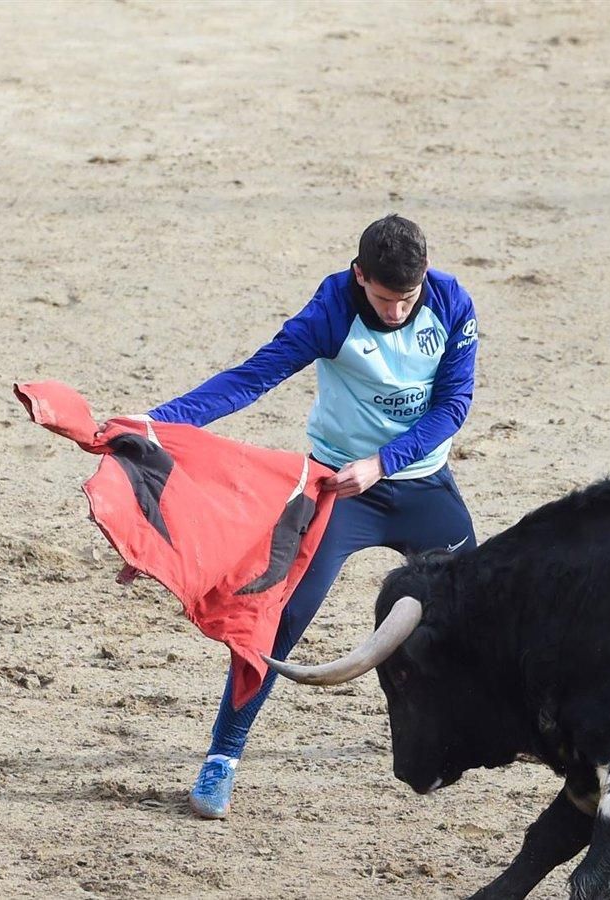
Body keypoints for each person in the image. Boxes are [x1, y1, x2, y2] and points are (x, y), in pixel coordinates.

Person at [141, 214, 480, 819]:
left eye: (407, 298)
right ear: (359, 277)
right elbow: (253, 378)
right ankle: (224, 755)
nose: (397, 311)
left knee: (478, 612)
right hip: (336, 491)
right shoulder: (332, 309)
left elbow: (454, 403)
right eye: (383, 298)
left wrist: (384, 461)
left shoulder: (451, 301)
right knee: (277, 621)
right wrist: (157, 424)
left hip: (422, 484)